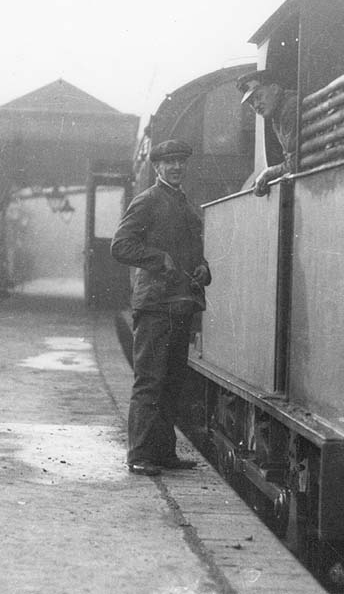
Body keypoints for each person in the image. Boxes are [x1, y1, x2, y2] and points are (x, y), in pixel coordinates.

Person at [110, 138, 211, 476]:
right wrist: (157, 259)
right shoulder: (148, 201)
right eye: (169, 163)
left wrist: (203, 267)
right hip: (155, 304)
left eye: (181, 161)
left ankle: (164, 453)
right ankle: (139, 454)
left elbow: (191, 251)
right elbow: (120, 246)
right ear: (157, 167)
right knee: (150, 381)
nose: (176, 167)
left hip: (180, 304)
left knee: (171, 382)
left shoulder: (183, 203)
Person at [236, 69, 296, 197]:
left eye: (258, 97)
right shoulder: (276, 117)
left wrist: (269, 172)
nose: (256, 105)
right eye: (252, 103)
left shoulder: (289, 108)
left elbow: (295, 162)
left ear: (274, 89)